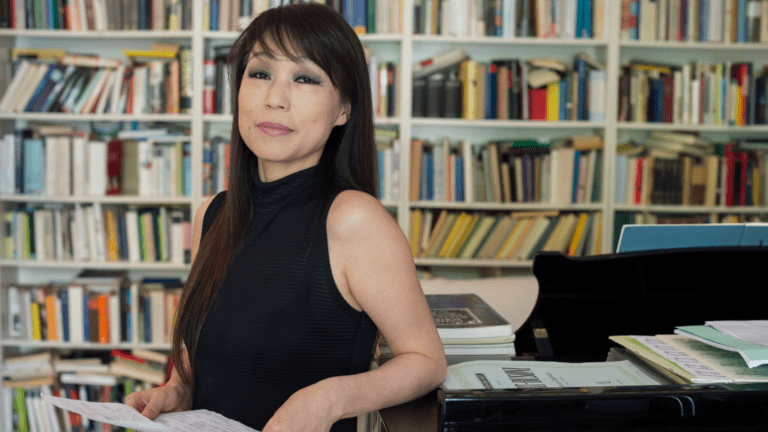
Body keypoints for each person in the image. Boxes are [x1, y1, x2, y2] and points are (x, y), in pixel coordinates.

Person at [124, 3, 447, 432]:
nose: (274, 98)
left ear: (344, 110)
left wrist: (329, 399)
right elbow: (208, 359)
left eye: (306, 78)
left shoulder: (355, 220)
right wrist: (177, 390)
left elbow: (426, 362)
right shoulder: (212, 214)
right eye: (259, 74)